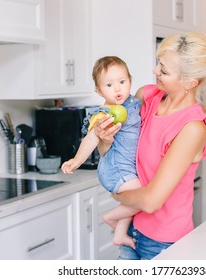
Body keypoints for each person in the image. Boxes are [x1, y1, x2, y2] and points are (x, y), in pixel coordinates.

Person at [94, 32, 206, 259]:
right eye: (158, 64)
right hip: (131, 228)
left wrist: (117, 196)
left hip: (163, 242)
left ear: (189, 82)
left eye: (163, 70)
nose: (155, 71)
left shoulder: (192, 128)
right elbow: (115, 152)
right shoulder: (146, 96)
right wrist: (104, 141)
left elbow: (151, 201)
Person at [61, 56, 141, 249]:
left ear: (130, 80)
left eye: (122, 82)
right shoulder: (103, 115)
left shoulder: (133, 103)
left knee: (140, 196)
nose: (118, 88)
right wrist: (77, 160)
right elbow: (91, 139)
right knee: (145, 198)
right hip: (115, 168)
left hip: (128, 167)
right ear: (99, 90)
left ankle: (120, 234)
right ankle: (110, 217)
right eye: (109, 85)